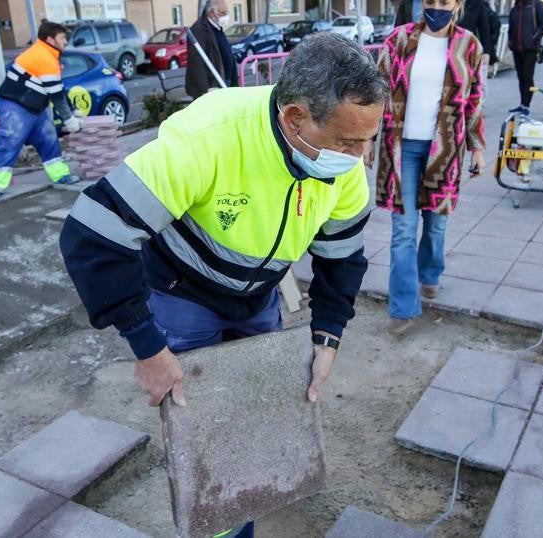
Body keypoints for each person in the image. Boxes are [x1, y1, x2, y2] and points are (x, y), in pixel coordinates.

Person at [61, 33, 384, 536]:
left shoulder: (343, 169)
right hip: (182, 292)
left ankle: (240, 519)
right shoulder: (211, 134)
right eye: (347, 142)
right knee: (207, 446)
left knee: (251, 425)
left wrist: (328, 335)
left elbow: (342, 258)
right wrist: (148, 348)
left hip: (257, 297)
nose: (361, 158)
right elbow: (93, 234)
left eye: (369, 139)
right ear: (295, 118)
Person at [371, 0, 487, 336]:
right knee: (403, 230)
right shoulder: (399, 40)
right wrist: (366, 140)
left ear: (457, 4)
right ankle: (403, 307)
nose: (435, 8)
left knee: (436, 225)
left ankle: (430, 272)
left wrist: (478, 147)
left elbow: (475, 101)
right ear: (421, 0)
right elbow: (376, 92)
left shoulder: (468, 45)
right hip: (400, 147)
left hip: (445, 149)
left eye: (444, 3)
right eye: (429, 1)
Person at [0, 21, 81, 201]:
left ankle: (60, 175)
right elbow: (56, 94)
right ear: (50, 39)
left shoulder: (46, 54)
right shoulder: (44, 57)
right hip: (16, 105)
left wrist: (72, 112)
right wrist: (69, 119)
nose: (66, 41)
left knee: (48, 139)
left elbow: (57, 89)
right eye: (62, 38)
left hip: (35, 104)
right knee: (8, 141)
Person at [506, 0, 543, 116]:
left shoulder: (536, 5)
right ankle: (522, 104)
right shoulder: (514, 9)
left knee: (528, 76)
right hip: (517, 49)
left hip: (530, 48)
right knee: (520, 77)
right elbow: (511, 28)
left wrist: (534, 38)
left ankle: (527, 105)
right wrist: (510, 42)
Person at [186, 0, 237, 98]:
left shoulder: (217, 27)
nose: (226, 16)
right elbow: (196, 61)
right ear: (211, 13)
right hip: (212, 85)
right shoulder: (199, 29)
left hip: (225, 80)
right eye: (223, 13)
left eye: (227, 13)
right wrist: (205, 88)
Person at [459, 0, 500, 74]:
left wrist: (487, 51)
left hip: (469, 48)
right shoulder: (450, 2)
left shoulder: (477, 4)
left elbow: (484, 28)